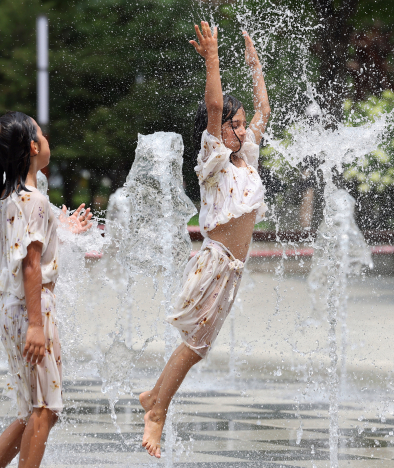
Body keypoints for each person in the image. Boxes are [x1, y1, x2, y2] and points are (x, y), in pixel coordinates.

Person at [139, 22, 271, 458]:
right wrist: (212, 58)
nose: (239, 131)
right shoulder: (212, 161)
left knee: (201, 345)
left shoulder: (244, 157)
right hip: (215, 261)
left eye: (238, 126)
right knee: (196, 345)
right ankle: (157, 410)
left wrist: (255, 64)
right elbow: (214, 105)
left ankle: (153, 394)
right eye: (232, 126)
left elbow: (263, 110)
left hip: (232, 267)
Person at [0, 111, 93, 468]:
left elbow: (31, 252)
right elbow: (30, 265)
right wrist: (35, 325)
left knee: (32, 409)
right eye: (41, 134)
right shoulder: (33, 200)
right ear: (32, 146)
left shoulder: (13, 198)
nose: (46, 140)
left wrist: (64, 232)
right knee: (45, 410)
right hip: (32, 309)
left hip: (12, 308)